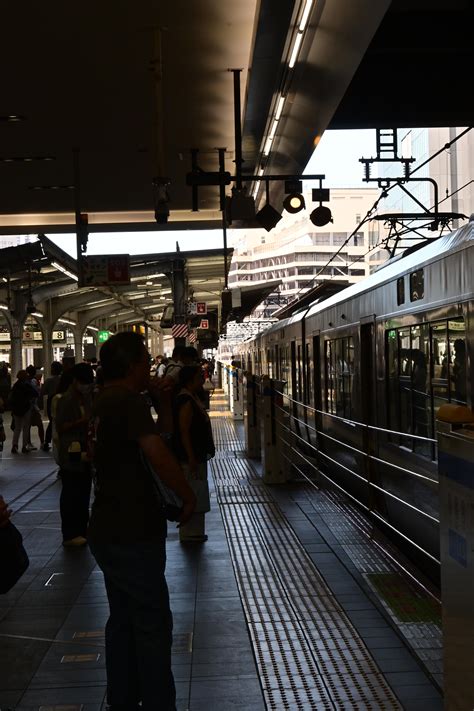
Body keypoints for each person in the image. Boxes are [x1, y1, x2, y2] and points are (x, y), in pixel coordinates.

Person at [87, 331, 195, 711]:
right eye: (146, 360)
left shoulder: (107, 401)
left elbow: (158, 436)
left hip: (109, 527)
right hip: (132, 529)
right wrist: (187, 494)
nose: (150, 365)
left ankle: (123, 700)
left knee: (123, 621)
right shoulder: (126, 402)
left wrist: (161, 400)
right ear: (133, 365)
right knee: (151, 624)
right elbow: (159, 455)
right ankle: (158, 703)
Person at [173, 365, 215, 543]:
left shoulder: (191, 396)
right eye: (199, 376)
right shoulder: (185, 400)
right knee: (192, 490)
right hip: (190, 456)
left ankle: (196, 531)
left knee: (197, 489)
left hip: (196, 455)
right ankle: (189, 532)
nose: (202, 379)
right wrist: (190, 458)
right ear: (191, 379)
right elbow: (184, 431)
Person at [55, 363, 95, 547]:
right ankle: (70, 533)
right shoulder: (66, 400)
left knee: (84, 490)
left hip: (85, 450)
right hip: (71, 450)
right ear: (74, 381)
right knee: (72, 490)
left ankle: (82, 529)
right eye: (84, 382)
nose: (86, 386)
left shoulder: (87, 398)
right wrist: (82, 421)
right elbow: (61, 427)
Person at [9, 370, 37, 453]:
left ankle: (14, 445)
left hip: (16, 409)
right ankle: (24, 446)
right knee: (26, 428)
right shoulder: (27, 385)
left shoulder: (15, 386)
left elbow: (11, 398)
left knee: (17, 428)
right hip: (26, 408)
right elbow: (35, 393)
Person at [41, 361, 63, 451]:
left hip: (51, 401)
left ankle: (47, 442)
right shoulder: (63, 379)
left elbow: (43, 392)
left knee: (52, 421)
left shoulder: (48, 381)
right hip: (62, 400)